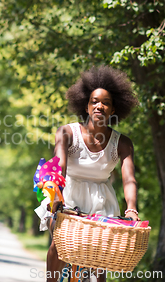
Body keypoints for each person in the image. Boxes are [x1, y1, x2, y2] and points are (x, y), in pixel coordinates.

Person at [42, 66, 139, 282]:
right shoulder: (67, 132)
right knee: (59, 245)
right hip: (66, 195)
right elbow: (60, 165)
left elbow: (129, 179)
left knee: (99, 258)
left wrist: (131, 208)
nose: (99, 106)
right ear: (86, 106)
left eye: (105, 103)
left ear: (113, 110)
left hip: (102, 202)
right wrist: (57, 197)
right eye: (94, 101)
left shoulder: (122, 143)